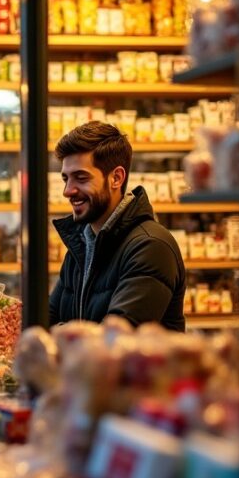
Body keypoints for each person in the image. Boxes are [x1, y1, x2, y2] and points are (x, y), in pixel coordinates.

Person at [50, 121, 186, 330]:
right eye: (65, 179)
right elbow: (44, 321)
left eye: (81, 178)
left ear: (116, 178)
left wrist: (57, 332)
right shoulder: (81, 245)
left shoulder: (150, 246)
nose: (68, 191)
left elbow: (115, 339)